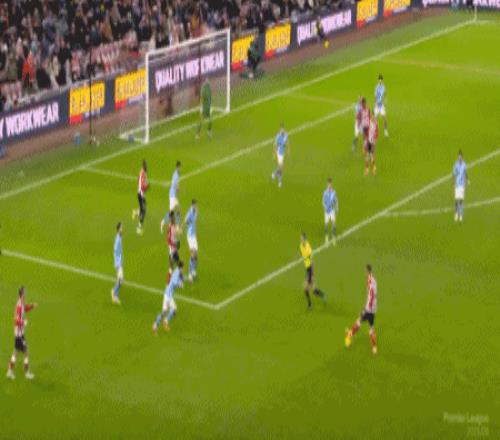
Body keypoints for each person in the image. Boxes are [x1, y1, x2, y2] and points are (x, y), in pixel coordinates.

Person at [345, 264, 378, 355]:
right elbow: (373, 294)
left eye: (365, 271)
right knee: (371, 327)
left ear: (367, 271)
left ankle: (349, 336)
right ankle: (374, 348)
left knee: (359, 321)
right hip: (374, 308)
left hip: (369, 308)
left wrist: (367, 307)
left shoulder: (370, 280)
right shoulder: (373, 279)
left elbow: (371, 294)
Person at [6, 286, 37, 380]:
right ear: (22, 294)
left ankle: (10, 371)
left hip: (20, 333)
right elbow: (16, 320)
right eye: (25, 292)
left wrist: (32, 306)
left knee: (16, 352)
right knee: (26, 352)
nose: (26, 293)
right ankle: (26, 373)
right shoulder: (19, 305)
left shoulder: (22, 303)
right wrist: (23, 322)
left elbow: (25, 309)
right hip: (19, 334)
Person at [152, 261, 184, 334]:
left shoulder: (176, 271)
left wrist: (184, 279)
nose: (184, 269)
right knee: (174, 309)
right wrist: (180, 285)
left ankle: (155, 325)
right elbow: (175, 282)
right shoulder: (176, 273)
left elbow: (175, 279)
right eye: (183, 268)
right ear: (181, 267)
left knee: (164, 311)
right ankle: (166, 321)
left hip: (166, 294)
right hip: (169, 296)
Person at [299, 232, 327, 309]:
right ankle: (323, 295)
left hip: (310, 269)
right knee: (313, 290)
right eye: (300, 238)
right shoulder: (301, 245)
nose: (301, 240)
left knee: (305, 288)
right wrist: (298, 256)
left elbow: (313, 262)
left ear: (305, 239)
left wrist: (312, 275)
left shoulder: (308, 248)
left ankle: (310, 304)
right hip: (307, 269)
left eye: (302, 238)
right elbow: (301, 252)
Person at [161, 211, 180, 284]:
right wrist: (174, 245)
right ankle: (169, 280)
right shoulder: (171, 228)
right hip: (172, 250)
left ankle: (177, 278)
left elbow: (176, 234)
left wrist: (176, 242)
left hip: (175, 249)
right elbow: (168, 240)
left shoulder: (174, 226)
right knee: (171, 265)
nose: (175, 220)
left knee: (178, 263)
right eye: (174, 219)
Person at [182, 199, 198, 282]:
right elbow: (186, 221)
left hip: (194, 236)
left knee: (196, 255)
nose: (196, 206)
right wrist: (181, 228)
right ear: (192, 205)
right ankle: (190, 274)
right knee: (193, 254)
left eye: (196, 205)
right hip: (190, 236)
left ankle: (193, 270)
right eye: (194, 205)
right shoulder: (190, 213)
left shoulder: (196, 211)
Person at [132, 160, 149, 235]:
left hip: (141, 194)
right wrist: (146, 187)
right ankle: (139, 228)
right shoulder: (142, 173)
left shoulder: (143, 172)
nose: (146, 167)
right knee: (144, 211)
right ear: (143, 166)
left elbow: (138, 180)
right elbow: (142, 186)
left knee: (143, 210)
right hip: (141, 194)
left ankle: (136, 212)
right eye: (145, 166)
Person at [271, 123, 290, 188]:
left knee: (281, 168)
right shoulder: (278, 136)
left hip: (283, 153)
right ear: (280, 130)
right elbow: (274, 145)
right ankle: (279, 181)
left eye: (283, 129)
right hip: (279, 153)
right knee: (281, 167)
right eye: (281, 129)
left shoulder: (286, 135)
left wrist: (288, 150)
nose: (282, 130)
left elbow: (287, 142)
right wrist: (274, 154)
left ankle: (274, 174)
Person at [453, 150, 469, 223]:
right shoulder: (455, 165)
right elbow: (454, 174)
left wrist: (467, 180)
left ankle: (461, 215)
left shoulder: (464, 165)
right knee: (456, 200)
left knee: (461, 200)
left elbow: (466, 172)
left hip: (462, 185)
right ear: (457, 157)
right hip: (457, 184)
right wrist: (453, 183)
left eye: (460, 157)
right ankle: (456, 214)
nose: (459, 158)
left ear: (462, 157)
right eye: (458, 156)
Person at [323, 178, 339, 244]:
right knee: (326, 224)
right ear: (327, 184)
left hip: (332, 210)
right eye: (328, 184)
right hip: (327, 211)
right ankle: (326, 236)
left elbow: (336, 200)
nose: (329, 185)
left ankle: (333, 235)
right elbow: (323, 201)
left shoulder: (334, 192)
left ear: (332, 184)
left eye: (330, 184)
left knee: (333, 223)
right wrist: (325, 207)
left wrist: (337, 207)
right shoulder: (325, 192)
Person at [111, 222, 123, 305]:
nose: (122, 229)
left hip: (119, 262)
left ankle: (115, 296)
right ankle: (113, 291)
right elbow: (115, 249)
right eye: (121, 227)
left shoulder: (119, 236)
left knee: (121, 280)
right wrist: (118, 262)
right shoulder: (118, 238)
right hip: (118, 263)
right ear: (118, 229)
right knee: (120, 279)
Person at [169, 161, 181, 225]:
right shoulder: (176, 175)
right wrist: (178, 189)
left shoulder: (176, 174)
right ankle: (168, 222)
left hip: (174, 195)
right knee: (172, 210)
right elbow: (174, 184)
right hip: (172, 195)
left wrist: (177, 189)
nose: (180, 168)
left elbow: (175, 184)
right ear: (177, 167)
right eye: (179, 167)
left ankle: (177, 224)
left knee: (178, 208)